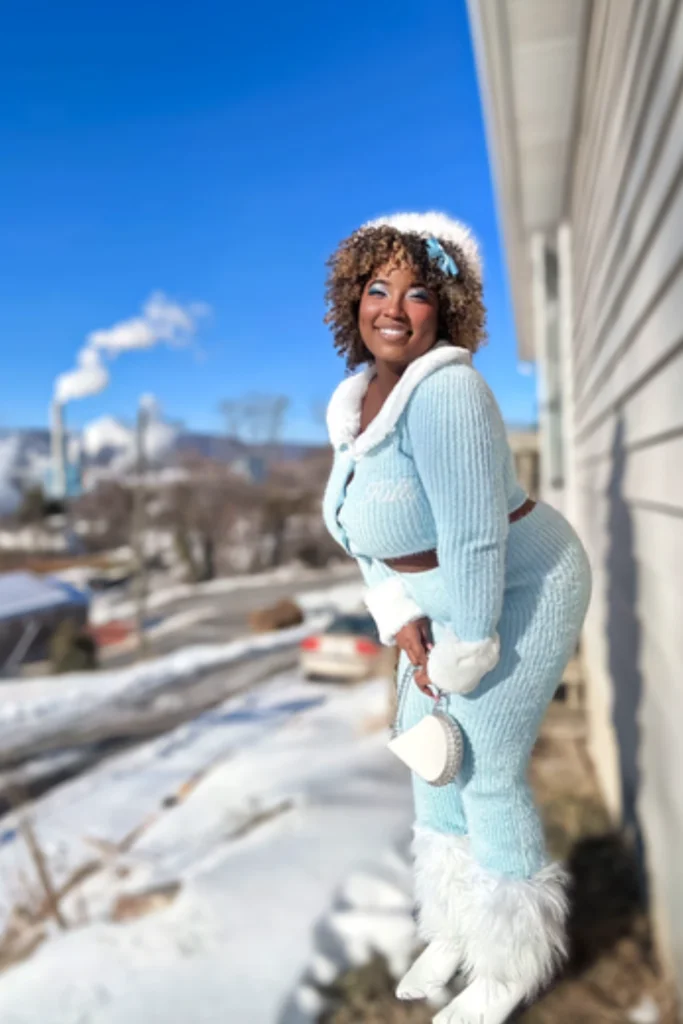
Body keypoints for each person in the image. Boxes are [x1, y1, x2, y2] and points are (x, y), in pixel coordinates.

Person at [321, 212, 591, 1024]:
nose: (393, 309)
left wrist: (468, 647)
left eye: (416, 292)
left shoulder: (447, 393)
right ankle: (451, 926)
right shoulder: (356, 400)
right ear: (353, 299)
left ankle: (507, 959)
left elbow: (475, 536)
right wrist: (398, 611)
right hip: (438, 599)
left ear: (446, 309)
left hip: (516, 584)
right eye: (376, 288)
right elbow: (362, 529)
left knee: (483, 767)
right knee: (429, 760)